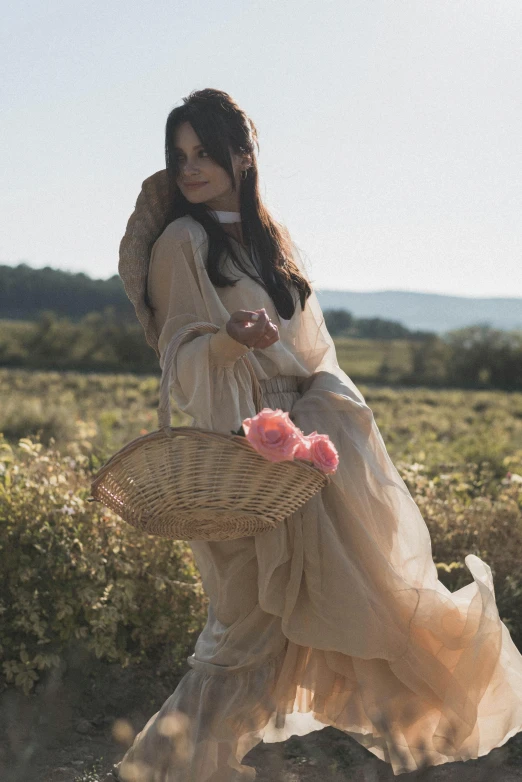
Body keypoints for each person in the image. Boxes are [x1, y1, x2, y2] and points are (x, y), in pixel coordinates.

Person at [113, 88, 522, 781]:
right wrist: (228, 343)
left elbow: (314, 355)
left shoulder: (272, 242)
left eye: (204, 152)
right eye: (179, 156)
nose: (189, 168)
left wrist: (326, 415)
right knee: (243, 636)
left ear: (242, 157)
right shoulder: (183, 244)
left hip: (306, 459)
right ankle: (159, 772)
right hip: (243, 454)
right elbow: (178, 355)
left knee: (297, 632)